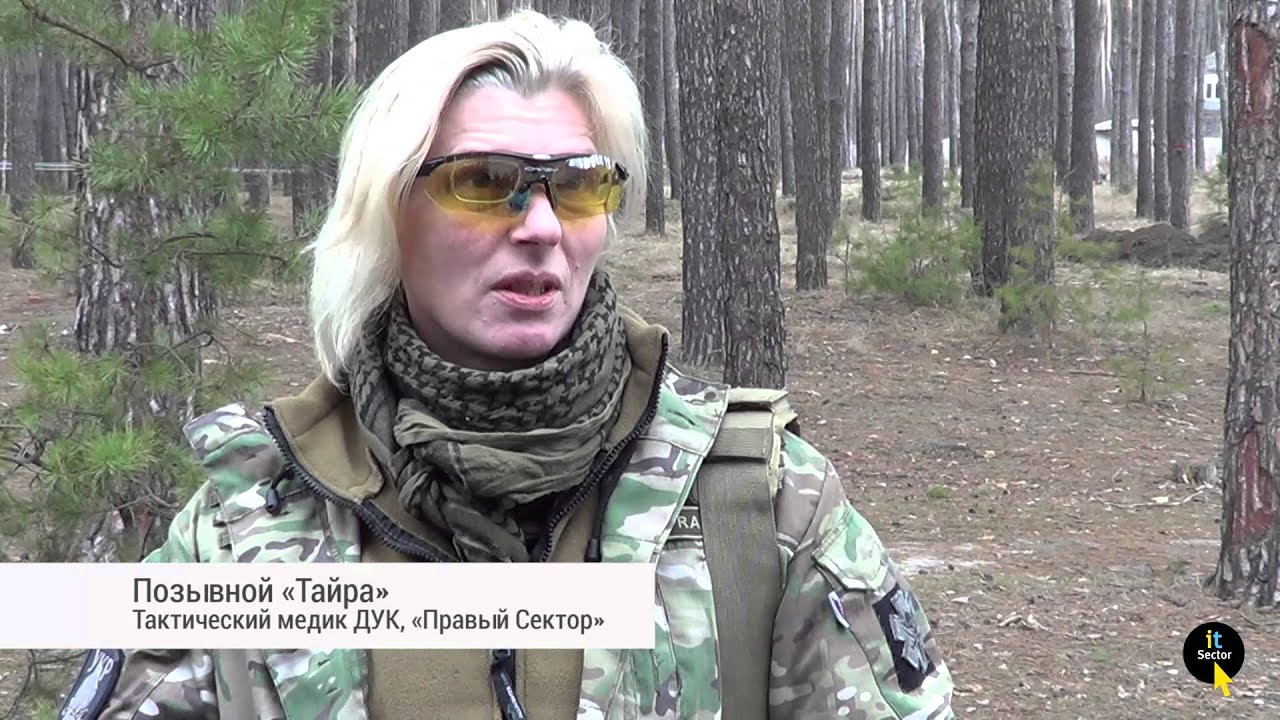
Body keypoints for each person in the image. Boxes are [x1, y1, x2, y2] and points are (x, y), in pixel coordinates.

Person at [60, 9, 955, 720]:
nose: (540, 226)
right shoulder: (247, 524)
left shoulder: (757, 500)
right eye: (485, 183)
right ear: (387, 210)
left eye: (579, 184)